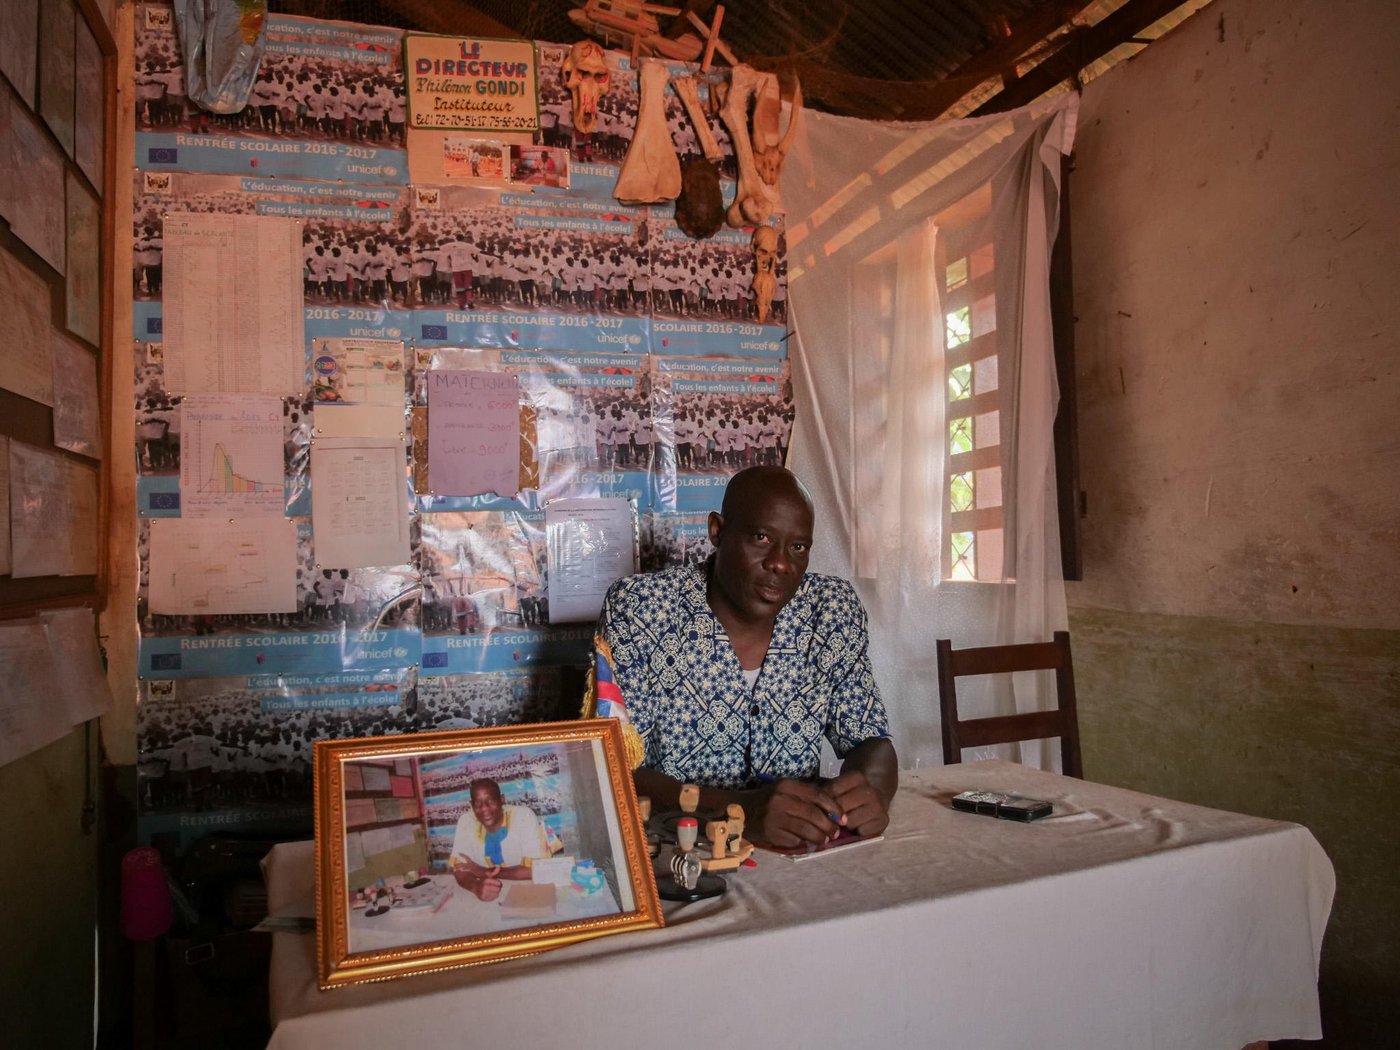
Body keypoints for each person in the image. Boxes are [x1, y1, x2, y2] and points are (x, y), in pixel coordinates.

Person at [591, 466, 896, 849]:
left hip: (799, 854)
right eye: (761, 538)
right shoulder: (643, 609)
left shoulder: (831, 609)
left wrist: (872, 790)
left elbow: (870, 739)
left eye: (798, 547)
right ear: (717, 531)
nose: (780, 563)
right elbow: (610, 765)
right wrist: (741, 811)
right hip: (679, 854)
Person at [449, 778, 550, 901]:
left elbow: (536, 869)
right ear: (472, 805)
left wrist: (484, 872)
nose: (484, 808)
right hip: (488, 894)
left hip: (527, 892)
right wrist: (476, 887)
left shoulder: (523, 816)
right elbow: (459, 868)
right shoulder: (466, 821)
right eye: (478, 803)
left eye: (491, 801)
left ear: (502, 800)